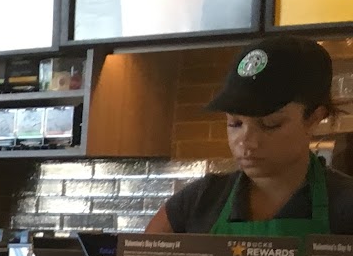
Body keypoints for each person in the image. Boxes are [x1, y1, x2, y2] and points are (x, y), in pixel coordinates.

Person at [146, 36, 353, 235]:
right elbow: (144, 255)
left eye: (270, 124)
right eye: (235, 123)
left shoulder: (345, 205)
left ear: (314, 118)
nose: (246, 141)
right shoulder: (199, 201)